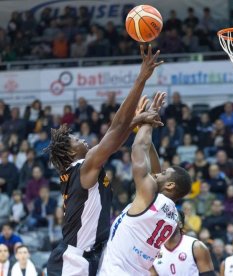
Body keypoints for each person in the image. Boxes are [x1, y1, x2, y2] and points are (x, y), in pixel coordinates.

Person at [45, 45, 163, 276]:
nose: (83, 140)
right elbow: (115, 130)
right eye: (76, 139)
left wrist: (135, 122)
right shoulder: (83, 167)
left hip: (93, 257)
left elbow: (114, 140)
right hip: (73, 260)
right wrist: (141, 78)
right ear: (71, 154)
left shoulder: (84, 168)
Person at [98, 93, 192, 275]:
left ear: (170, 185)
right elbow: (155, 172)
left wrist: (148, 119)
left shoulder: (150, 196)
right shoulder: (171, 215)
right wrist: (144, 128)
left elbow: (138, 149)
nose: (158, 174)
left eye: (165, 173)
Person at [150, 210, 214, 276]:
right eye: (165, 219)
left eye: (171, 218)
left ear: (180, 224)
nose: (168, 222)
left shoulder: (196, 247)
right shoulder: (153, 250)